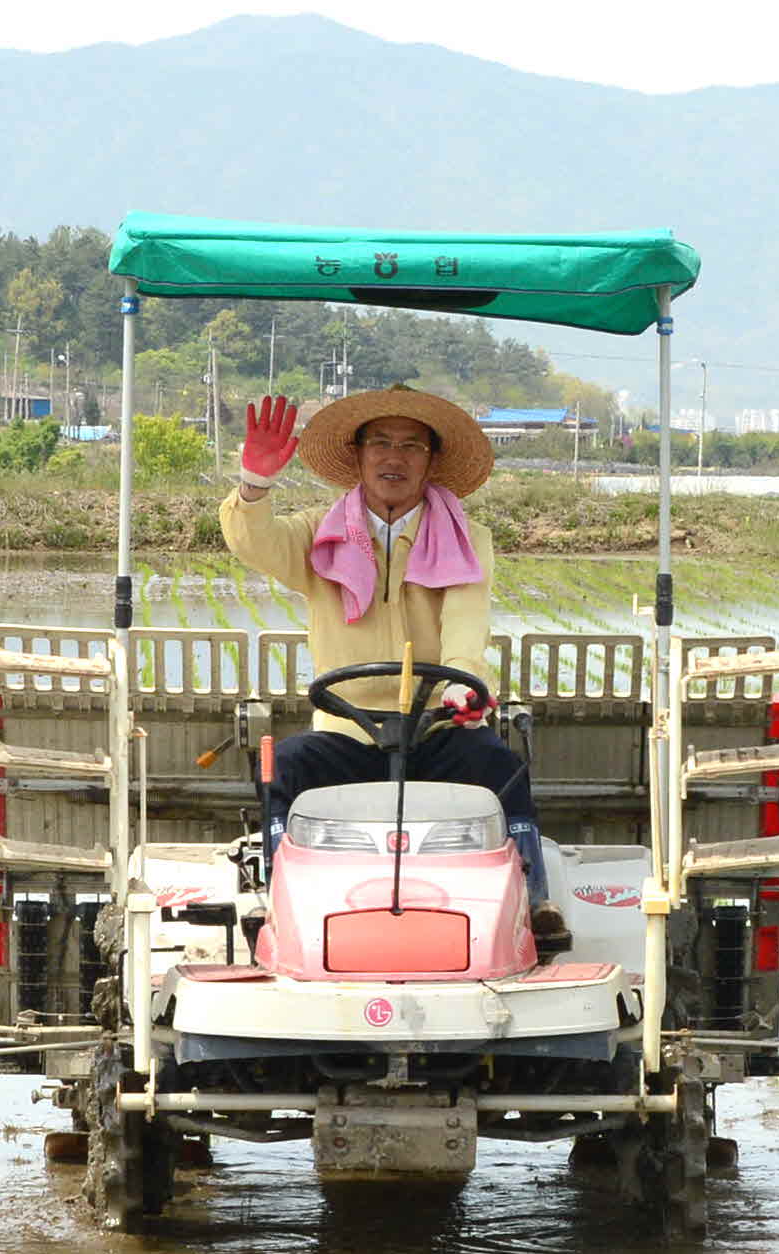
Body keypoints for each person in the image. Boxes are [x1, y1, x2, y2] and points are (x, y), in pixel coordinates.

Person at [222, 384, 570, 956]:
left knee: (500, 763)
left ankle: (535, 898)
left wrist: (463, 686)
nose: (394, 457)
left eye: (411, 446)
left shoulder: (466, 539)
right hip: (347, 730)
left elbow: (466, 620)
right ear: (358, 458)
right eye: (380, 443)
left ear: (430, 461)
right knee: (283, 766)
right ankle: (273, 898)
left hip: (436, 726)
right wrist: (255, 483)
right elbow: (255, 542)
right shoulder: (316, 534)